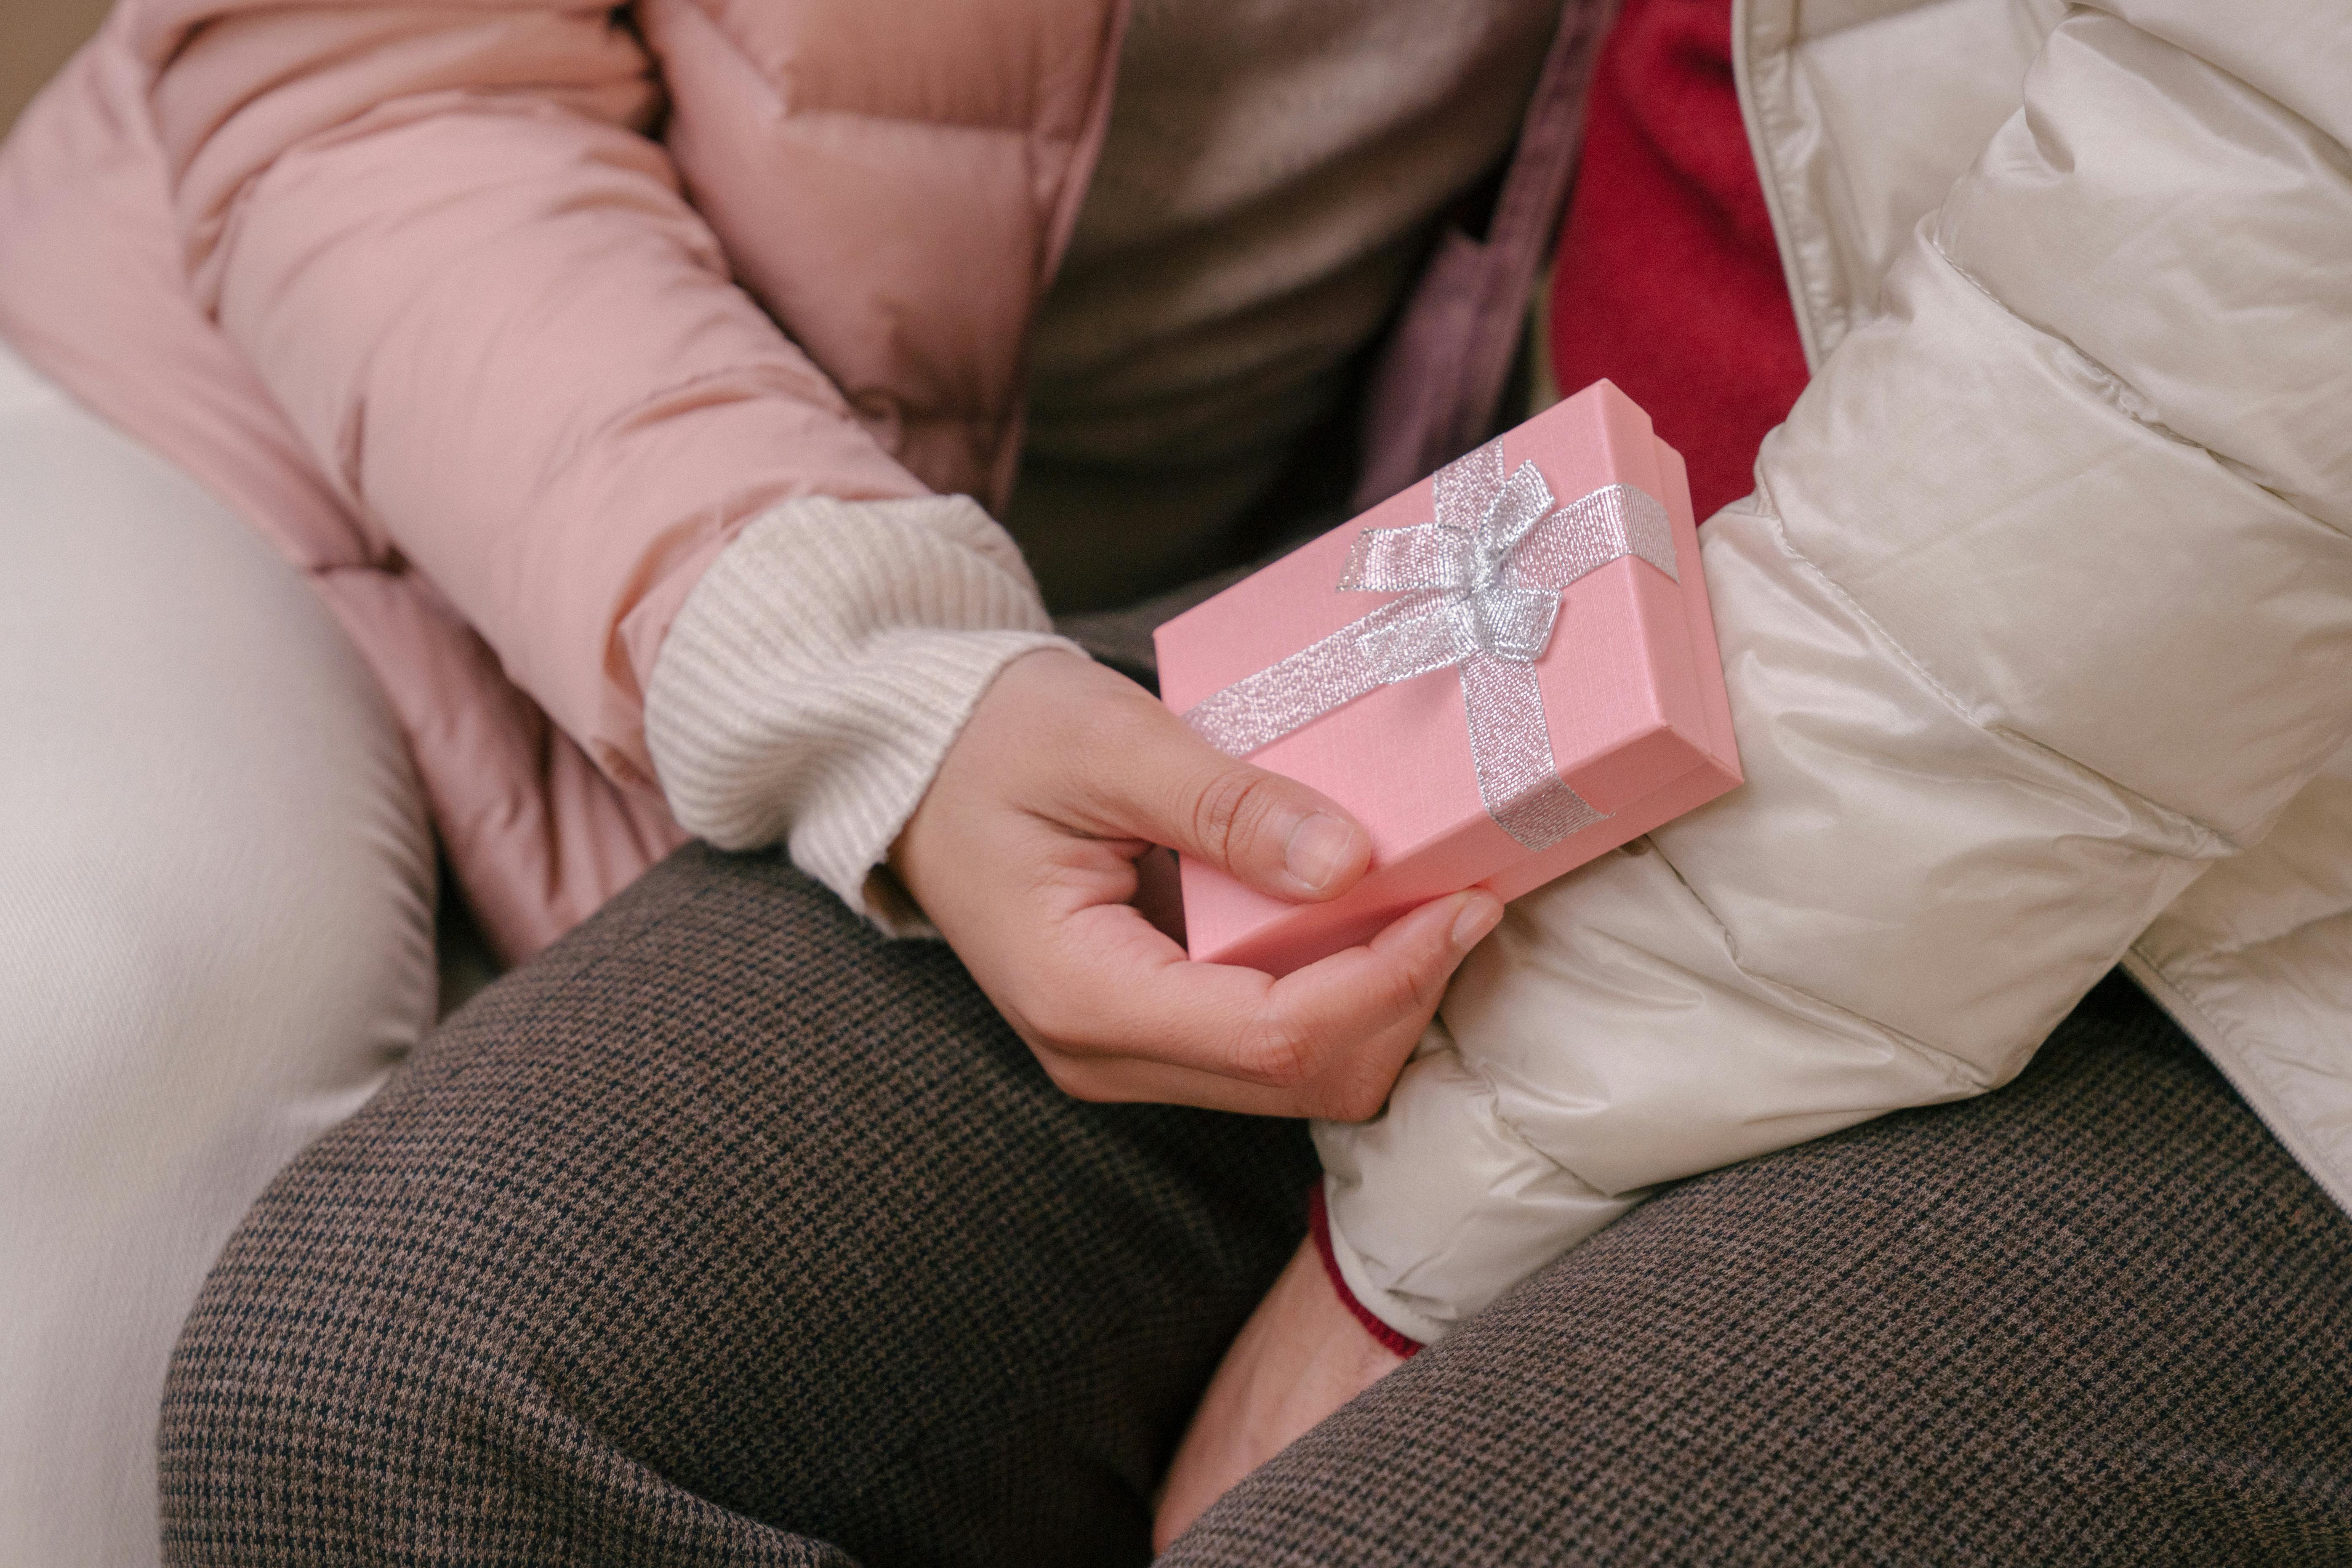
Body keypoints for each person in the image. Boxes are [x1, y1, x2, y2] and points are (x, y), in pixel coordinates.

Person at [0, 0, 2347, 1563]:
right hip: (555, 452)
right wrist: (878, 684)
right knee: (395, 1372)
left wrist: (1403, 1254)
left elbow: (2188, 398)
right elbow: (355, 84)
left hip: (2237, 877)